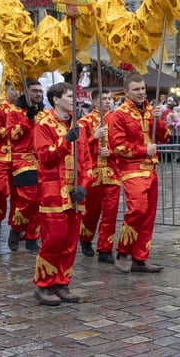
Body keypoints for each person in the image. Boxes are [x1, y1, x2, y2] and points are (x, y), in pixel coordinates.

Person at [31, 82, 92, 306]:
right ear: (56, 99)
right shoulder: (43, 124)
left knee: (69, 242)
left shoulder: (78, 126)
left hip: (74, 194)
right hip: (53, 193)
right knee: (53, 240)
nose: (73, 100)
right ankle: (43, 285)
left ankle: (62, 282)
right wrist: (66, 140)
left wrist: (84, 185)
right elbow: (45, 158)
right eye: (69, 96)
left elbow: (86, 162)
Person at [107, 72, 170, 273]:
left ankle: (140, 258)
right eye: (136, 89)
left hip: (151, 168)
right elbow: (118, 146)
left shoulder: (151, 110)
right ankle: (123, 252)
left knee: (149, 214)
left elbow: (166, 136)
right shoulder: (119, 114)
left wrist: (158, 121)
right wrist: (144, 150)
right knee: (138, 210)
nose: (141, 92)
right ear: (126, 92)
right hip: (131, 169)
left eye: (143, 88)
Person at [78, 88, 120, 264]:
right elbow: (79, 149)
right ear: (94, 101)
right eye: (103, 99)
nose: (107, 102)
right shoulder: (84, 122)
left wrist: (111, 151)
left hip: (112, 172)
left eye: (109, 98)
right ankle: (86, 239)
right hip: (93, 172)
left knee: (110, 213)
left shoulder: (116, 120)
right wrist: (94, 137)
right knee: (91, 211)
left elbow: (122, 145)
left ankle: (105, 249)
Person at [6, 80, 46, 252]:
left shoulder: (44, 113)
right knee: (28, 199)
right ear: (25, 92)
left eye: (40, 91)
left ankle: (32, 238)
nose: (38, 94)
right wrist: (27, 119)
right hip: (22, 160)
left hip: (42, 161)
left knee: (40, 202)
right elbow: (12, 136)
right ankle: (16, 229)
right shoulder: (14, 112)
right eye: (34, 91)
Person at [0, 81, 20, 243]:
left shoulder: (23, 110)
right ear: (6, 90)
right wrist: (14, 127)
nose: (17, 93)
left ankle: (17, 225)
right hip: (0, 156)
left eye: (20, 89)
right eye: (14, 89)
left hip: (19, 157)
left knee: (19, 193)